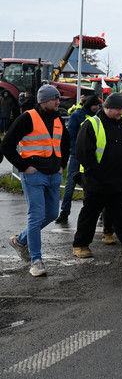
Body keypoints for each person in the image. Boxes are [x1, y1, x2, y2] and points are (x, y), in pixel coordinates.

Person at [70, 93, 122, 261]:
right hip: (97, 180)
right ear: (106, 108)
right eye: (117, 109)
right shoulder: (92, 124)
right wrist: (95, 173)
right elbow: (83, 152)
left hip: (119, 180)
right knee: (90, 213)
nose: (120, 113)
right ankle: (80, 245)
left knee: (121, 213)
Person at [2, 84, 71, 277]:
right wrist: (24, 166)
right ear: (43, 101)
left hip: (54, 175)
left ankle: (20, 240)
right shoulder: (27, 118)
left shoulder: (57, 118)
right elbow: (6, 145)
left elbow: (65, 143)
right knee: (35, 216)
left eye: (58, 98)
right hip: (34, 175)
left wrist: (61, 165)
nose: (58, 102)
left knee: (50, 214)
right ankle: (36, 261)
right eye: (54, 99)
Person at [55, 94, 101, 224]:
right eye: (94, 105)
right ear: (88, 105)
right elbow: (71, 135)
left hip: (93, 155)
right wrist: (76, 150)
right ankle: (64, 212)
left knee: (92, 185)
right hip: (77, 155)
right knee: (71, 183)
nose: (97, 107)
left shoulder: (98, 117)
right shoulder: (77, 116)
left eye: (98, 105)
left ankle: (93, 212)